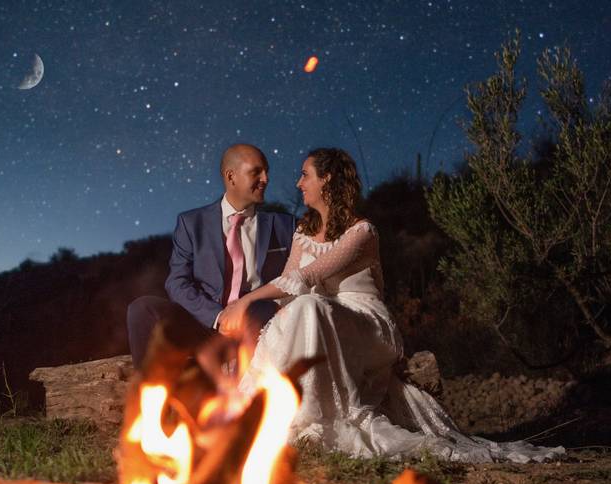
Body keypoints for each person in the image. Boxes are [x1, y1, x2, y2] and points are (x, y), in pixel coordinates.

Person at [225, 148, 564, 463]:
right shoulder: (303, 231)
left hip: (367, 323)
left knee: (310, 305)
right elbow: (288, 288)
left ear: (327, 180)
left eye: (305, 174)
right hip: (322, 318)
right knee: (297, 311)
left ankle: (319, 423)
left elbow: (310, 276)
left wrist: (247, 300)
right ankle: (263, 417)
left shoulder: (362, 231)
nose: (298, 183)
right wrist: (277, 325)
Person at [127, 143, 296, 367]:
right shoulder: (191, 223)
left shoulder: (284, 225)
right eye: (256, 172)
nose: (265, 178)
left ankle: (244, 395)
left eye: (266, 171)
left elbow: (299, 275)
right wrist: (216, 317)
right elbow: (177, 282)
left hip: (259, 323)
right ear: (231, 176)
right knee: (141, 309)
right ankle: (150, 395)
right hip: (204, 323)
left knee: (257, 308)